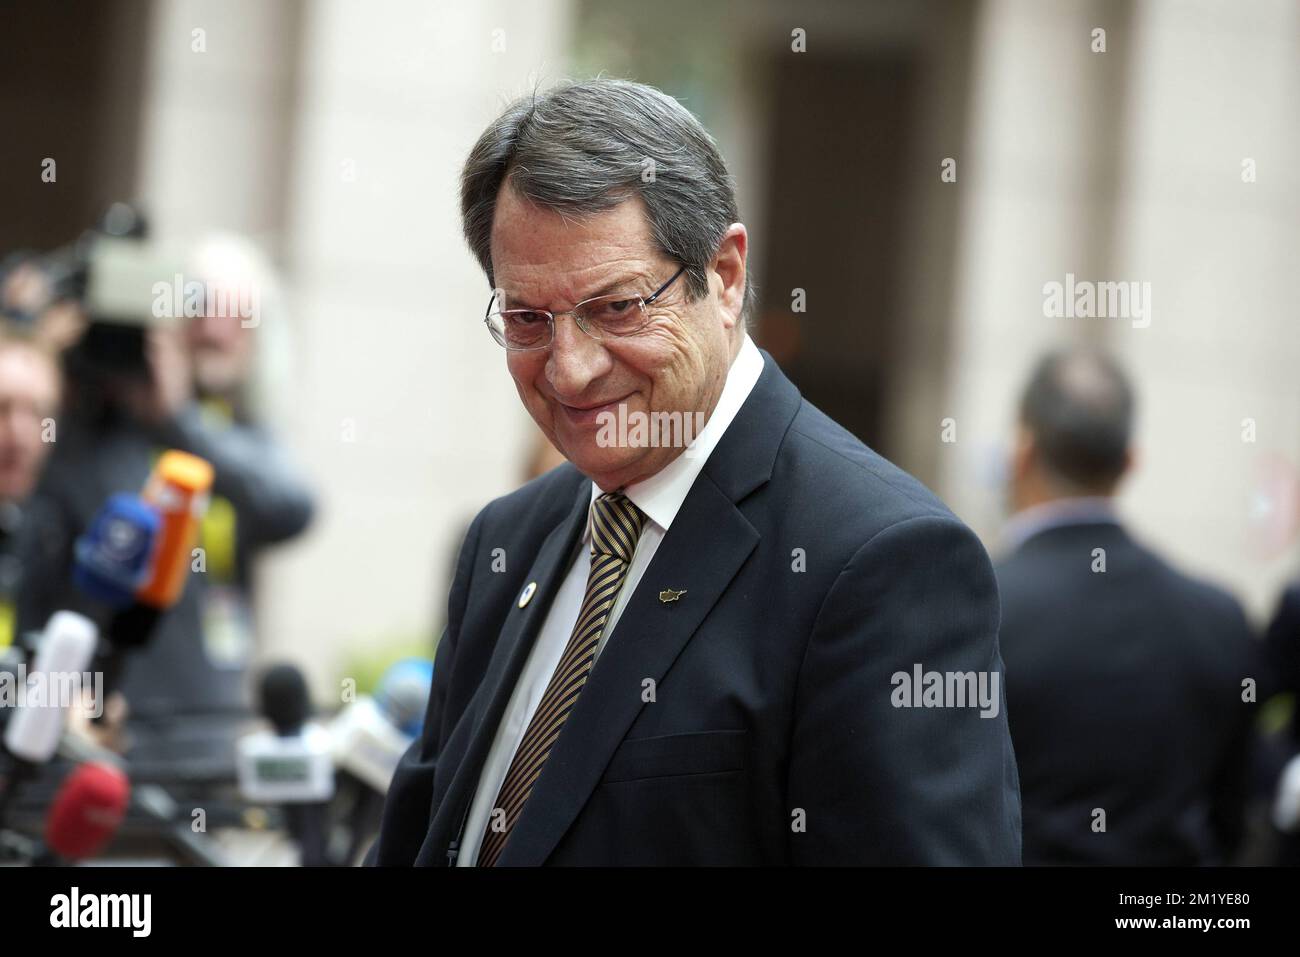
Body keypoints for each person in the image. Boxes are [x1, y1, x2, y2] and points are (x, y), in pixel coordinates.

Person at [367, 78, 1020, 866]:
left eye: (617, 309)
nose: (569, 370)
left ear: (726, 276)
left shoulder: (880, 561)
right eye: (527, 319)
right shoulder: (507, 538)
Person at [997, 347, 1256, 865]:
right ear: (1130, 461)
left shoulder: (974, 607)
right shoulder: (1220, 617)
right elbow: (1232, 818)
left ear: (1021, 454)